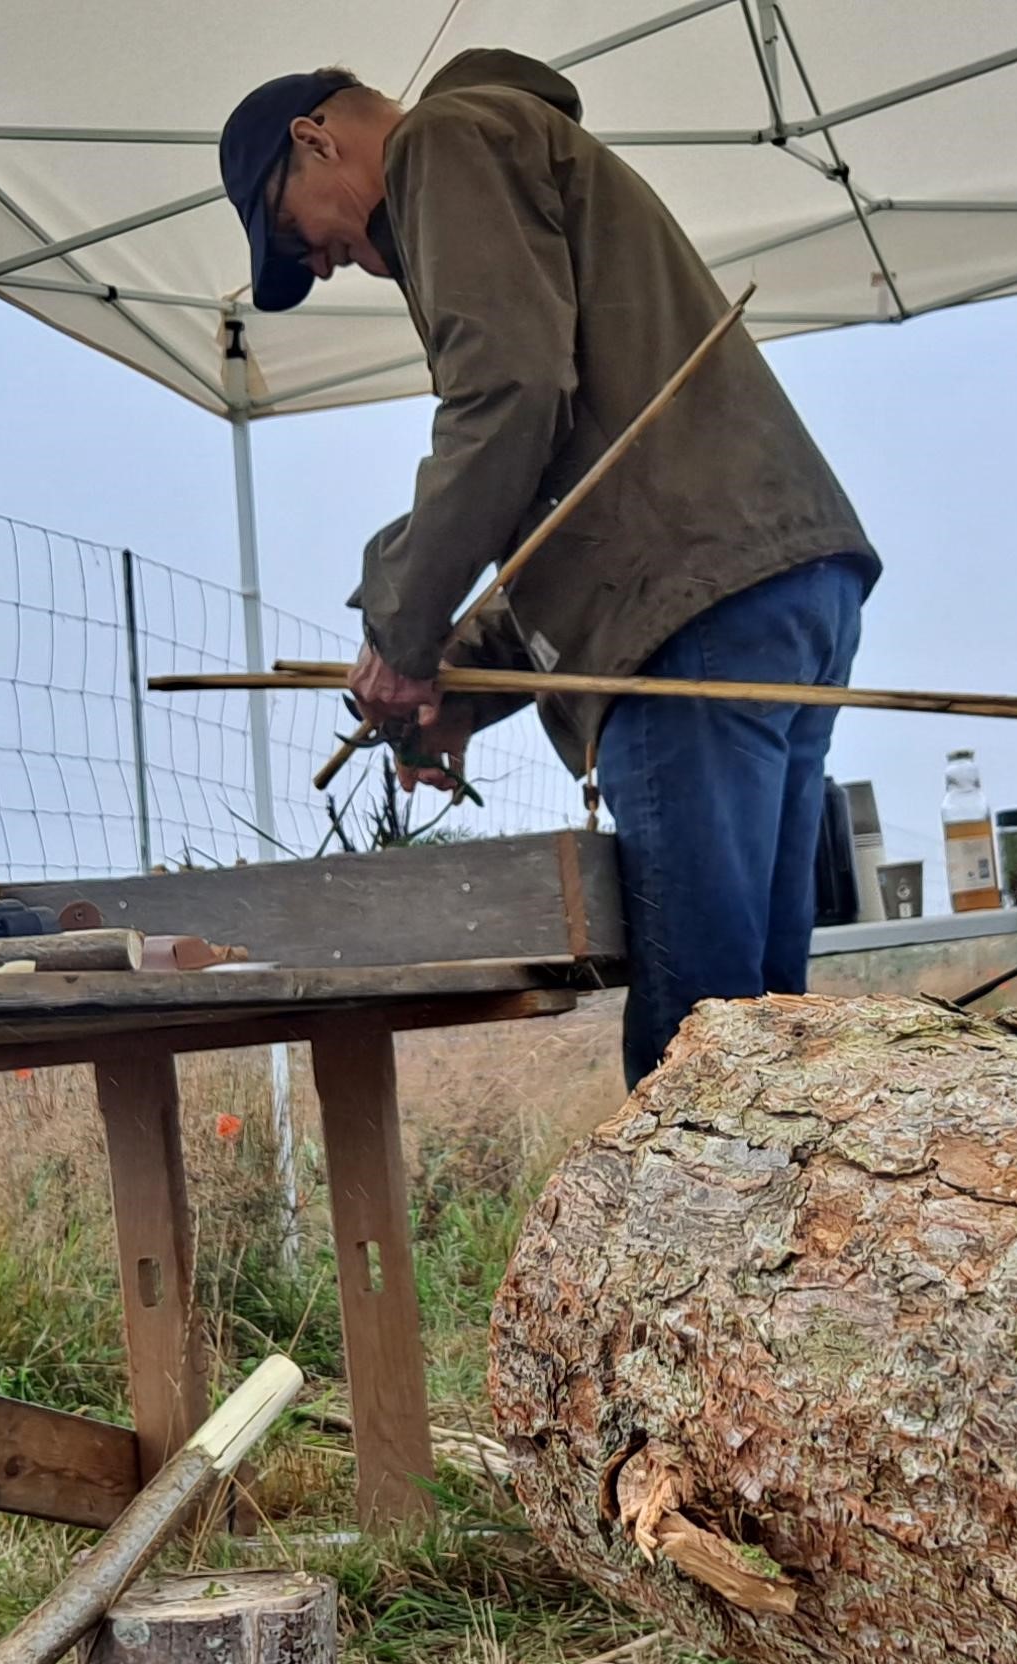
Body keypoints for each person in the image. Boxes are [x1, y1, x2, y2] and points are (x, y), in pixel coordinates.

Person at [218, 56, 880, 1086]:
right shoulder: (516, 144)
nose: (322, 263)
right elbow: (565, 488)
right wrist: (456, 687)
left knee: (701, 1042)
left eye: (294, 229)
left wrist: (402, 630)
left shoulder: (440, 143)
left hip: (690, 602)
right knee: (761, 1018)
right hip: (777, 577)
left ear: (315, 139)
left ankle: (683, 1246)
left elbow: (510, 398)